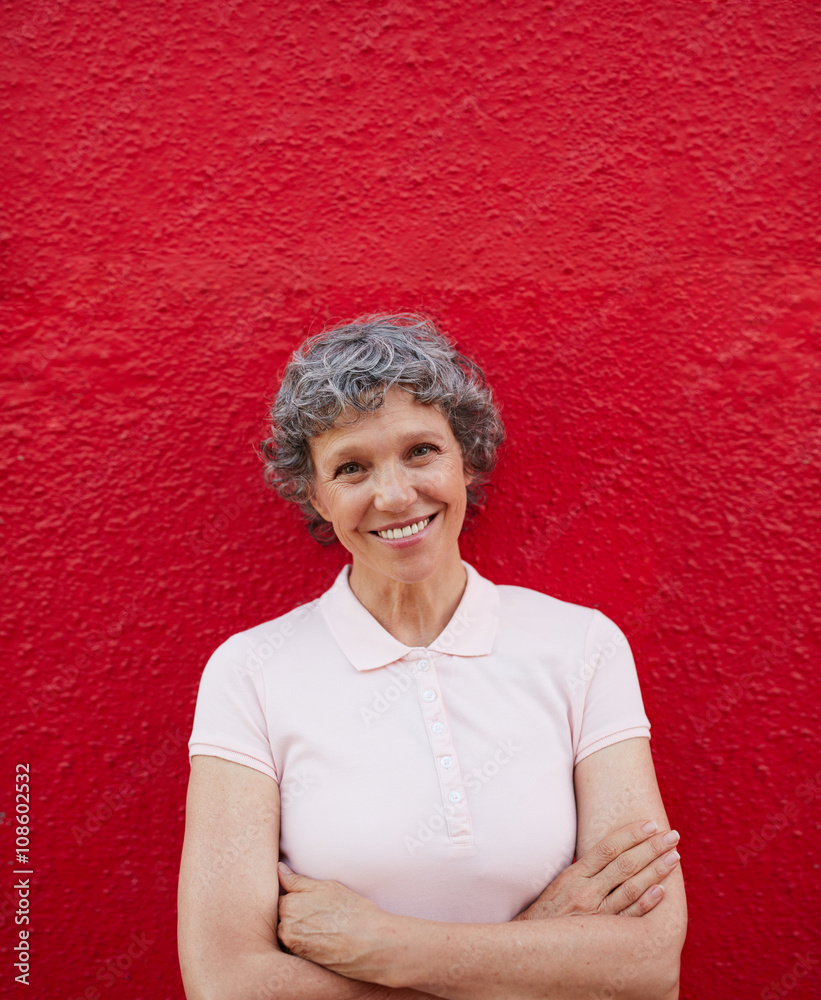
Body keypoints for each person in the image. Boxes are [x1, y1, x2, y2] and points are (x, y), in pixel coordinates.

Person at [177, 313, 687, 1000]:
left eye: (420, 451)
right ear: (316, 495)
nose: (394, 495)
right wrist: (545, 946)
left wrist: (384, 946)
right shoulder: (251, 672)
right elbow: (229, 982)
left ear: (466, 460)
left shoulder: (581, 647)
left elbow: (647, 964)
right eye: (351, 467)